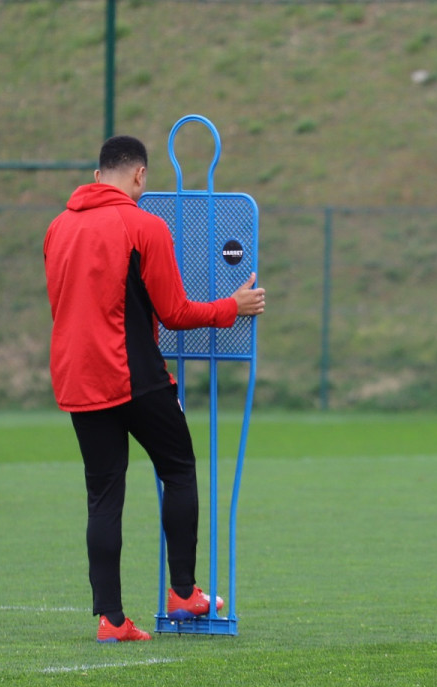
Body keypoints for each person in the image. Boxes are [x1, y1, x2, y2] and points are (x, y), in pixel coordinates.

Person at [44, 135, 266, 642]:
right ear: (140, 175)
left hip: (78, 376)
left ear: (97, 176)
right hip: (133, 374)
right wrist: (232, 307)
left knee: (103, 495)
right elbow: (175, 312)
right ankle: (183, 592)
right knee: (179, 468)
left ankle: (111, 620)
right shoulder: (144, 225)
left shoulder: (57, 228)